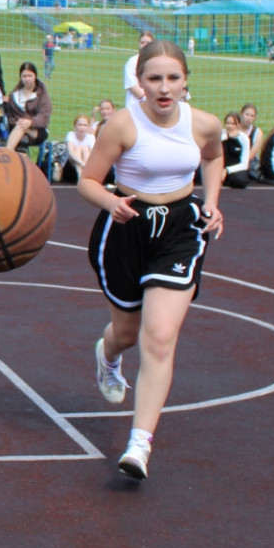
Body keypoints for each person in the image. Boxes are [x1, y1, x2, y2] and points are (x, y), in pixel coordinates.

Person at [78, 40, 226, 482]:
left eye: (173, 78)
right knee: (125, 333)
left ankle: (139, 443)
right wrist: (110, 201)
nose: (164, 88)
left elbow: (214, 159)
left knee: (158, 337)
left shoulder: (204, 124)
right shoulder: (121, 126)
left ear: (186, 82)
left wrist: (213, 202)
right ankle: (107, 356)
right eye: (154, 78)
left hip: (180, 230)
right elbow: (88, 181)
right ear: (138, 82)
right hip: (126, 227)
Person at [1, 62, 51, 155]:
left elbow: (44, 116)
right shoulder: (14, 94)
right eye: (24, 76)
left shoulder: (42, 95)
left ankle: (6, 154)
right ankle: (21, 165)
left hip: (37, 130)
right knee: (22, 138)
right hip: (18, 129)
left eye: (30, 76)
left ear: (35, 76)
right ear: (20, 77)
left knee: (21, 127)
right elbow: (10, 116)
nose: (27, 79)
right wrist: (16, 121)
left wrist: (30, 122)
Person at [57, 113, 96, 184]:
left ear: (88, 127)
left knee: (85, 148)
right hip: (70, 166)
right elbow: (71, 153)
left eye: (85, 125)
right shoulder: (70, 135)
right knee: (77, 148)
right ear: (75, 126)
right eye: (80, 125)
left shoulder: (91, 137)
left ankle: (83, 175)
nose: (82, 128)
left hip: (86, 163)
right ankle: (80, 174)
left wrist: (86, 164)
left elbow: (93, 153)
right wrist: (83, 164)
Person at [122, 31, 155, 109]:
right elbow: (131, 85)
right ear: (139, 44)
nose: (145, 45)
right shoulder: (132, 61)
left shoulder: (157, 61)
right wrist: (147, 99)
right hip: (135, 105)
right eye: (142, 42)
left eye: (148, 42)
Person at [220, 113, 252, 189]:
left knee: (240, 180)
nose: (230, 126)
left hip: (234, 170)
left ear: (238, 125)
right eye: (228, 123)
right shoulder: (221, 135)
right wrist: (228, 137)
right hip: (218, 168)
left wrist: (227, 170)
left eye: (233, 123)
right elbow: (212, 147)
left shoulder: (244, 138)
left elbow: (244, 164)